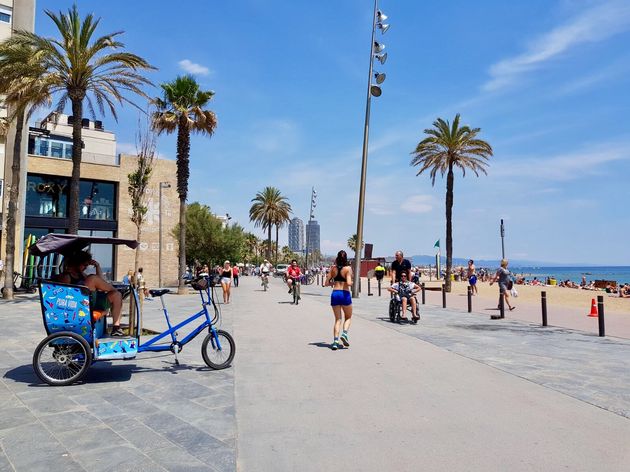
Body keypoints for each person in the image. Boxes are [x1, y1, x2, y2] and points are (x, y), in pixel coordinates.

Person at [55, 250, 124, 336]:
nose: (85, 268)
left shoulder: (81, 274)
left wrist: (97, 266)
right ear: (76, 263)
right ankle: (114, 289)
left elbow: (101, 282)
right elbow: (64, 295)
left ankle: (116, 328)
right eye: (84, 265)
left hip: (91, 300)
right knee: (92, 278)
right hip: (80, 305)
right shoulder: (66, 276)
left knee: (117, 295)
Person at [327, 250, 353, 350]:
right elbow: (349, 283)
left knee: (337, 319)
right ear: (346, 258)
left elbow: (326, 283)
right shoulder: (348, 269)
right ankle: (345, 334)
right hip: (345, 293)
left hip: (335, 294)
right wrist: (351, 280)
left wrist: (334, 283)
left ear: (337, 258)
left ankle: (335, 341)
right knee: (348, 317)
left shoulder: (332, 269)